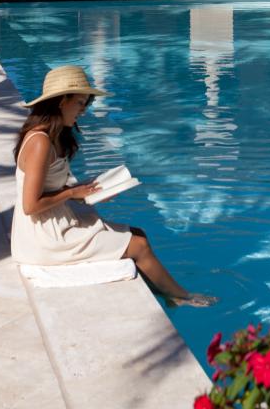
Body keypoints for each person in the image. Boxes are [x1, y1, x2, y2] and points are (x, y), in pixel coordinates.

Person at [12, 65, 216, 307]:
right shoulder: (40, 142)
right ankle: (182, 296)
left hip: (54, 224)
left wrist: (88, 193)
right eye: (80, 103)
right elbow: (30, 205)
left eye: (86, 104)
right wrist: (72, 193)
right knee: (138, 245)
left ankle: (167, 295)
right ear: (61, 101)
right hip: (43, 239)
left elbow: (52, 187)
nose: (84, 110)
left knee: (138, 234)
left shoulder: (55, 136)